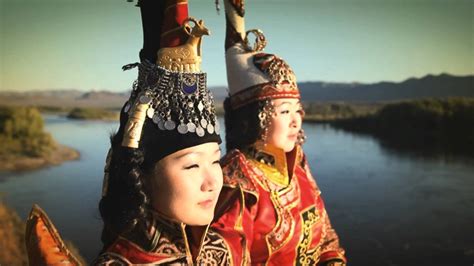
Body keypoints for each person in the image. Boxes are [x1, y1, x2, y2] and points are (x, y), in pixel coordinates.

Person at [25, 0, 236, 265]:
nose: (213, 182)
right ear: (142, 176)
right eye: (192, 165)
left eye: (216, 160)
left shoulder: (221, 247)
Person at [211, 0, 348, 265]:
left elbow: (327, 238)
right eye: (285, 112)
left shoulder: (296, 163)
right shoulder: (235, 185)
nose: (296, 121)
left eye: (298, 110)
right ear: (255, 118)